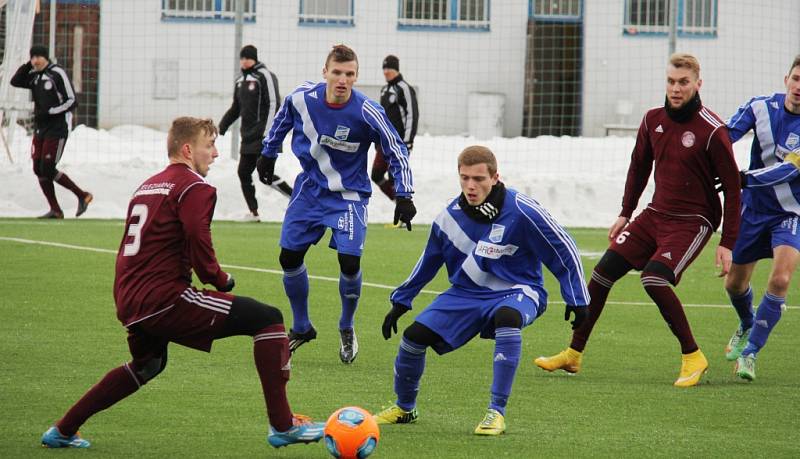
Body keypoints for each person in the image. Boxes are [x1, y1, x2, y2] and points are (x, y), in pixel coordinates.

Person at [39, 117, 324, 449]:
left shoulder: (147, 186)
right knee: (268, 319)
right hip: (164, 298)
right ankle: (283, 424)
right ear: (188, 150)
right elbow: (196, 235)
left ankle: (62, 430)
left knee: (148, 366)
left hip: (131, 299)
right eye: (210, 145)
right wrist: (217, 277)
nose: (215, 153)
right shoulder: (195, 186)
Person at [534, 53, 742, 387]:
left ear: (698, 84)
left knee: (654, 279)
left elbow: (733, 190)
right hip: (655, 214)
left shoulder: (712, 130)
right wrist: (625, 213)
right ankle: (573, 354)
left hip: (694, 221)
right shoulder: (652, 120)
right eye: (671, 82)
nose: (676, 89)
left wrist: (727, 243)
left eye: (683, 83)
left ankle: (693, 356)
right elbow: (639, 167)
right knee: (601, 274)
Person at [372, 145, 589, 435]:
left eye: (478, 179)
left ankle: (495, 412)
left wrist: (577, 297)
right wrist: (401, 300)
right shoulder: (449, 217)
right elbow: (428, 261)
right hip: (466, 294)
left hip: (519, 289)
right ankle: (405, 408)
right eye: (464, 178)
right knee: (413, 338)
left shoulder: (522, 210)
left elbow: (564, 248)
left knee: (508, 318)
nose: (470, 186)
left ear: (495, 177)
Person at [257, 44, 416, 365]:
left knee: (349, 262)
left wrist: (405, 194)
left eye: (350, 74)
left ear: (356, 77)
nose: (343, 80)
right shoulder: (302, 98)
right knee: (288, 257)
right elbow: (282, 119)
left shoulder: (367, 111)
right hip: (309, 192)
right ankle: (302, 327)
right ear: (325, 72)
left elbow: (396, 149)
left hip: (349, 197)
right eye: (337, 72)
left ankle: (346, 325)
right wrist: (268, 152)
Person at [722, 55, 800, 381]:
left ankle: (751, 352)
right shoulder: (760, 107)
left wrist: (742, 178)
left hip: (790, 211)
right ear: (786, 79)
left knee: (780, 279)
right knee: (734, 283)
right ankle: (746, 321)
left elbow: (789, 169)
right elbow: (724, 136)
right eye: (797, 79)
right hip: (752, 210)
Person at [10, 45, 92, 219]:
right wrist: (27, 65)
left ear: (46, 58)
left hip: (57, 127)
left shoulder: (56, 73)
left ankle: (82, 195)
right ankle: (56, 210)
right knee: (37, 168)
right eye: (33, 57)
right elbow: (15, 81)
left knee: (47, 167)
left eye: (39, 57)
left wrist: (52, 111)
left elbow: (72, 101)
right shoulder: (34, 76)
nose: (35, 60)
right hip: (40, 128)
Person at [219, 45, 292, 222]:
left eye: (247, 58)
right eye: (241, 58)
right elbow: (236, 108)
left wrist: (270, 132)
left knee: (264, 175)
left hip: (266, 136)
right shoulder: (240, 81)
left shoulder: (265, 76)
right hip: (248, 137)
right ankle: (254, 213)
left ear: (254, 58)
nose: (244, 61)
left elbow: (274, 103)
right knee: (243, 172)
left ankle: (297, 199)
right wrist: (222, 126)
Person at [371, 54, 418, 201]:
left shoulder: (405, 89)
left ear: (396, 69)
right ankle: (399, 204)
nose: (386, 71)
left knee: (396, 178)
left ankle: (404, 215)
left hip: (399, 144)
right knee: (376, 175)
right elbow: (381, 118)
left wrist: (407, 141)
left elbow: (412, 116)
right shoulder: (384, 90)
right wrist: (377, 140)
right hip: (384, 144)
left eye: (389, 68)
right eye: (384, 68)